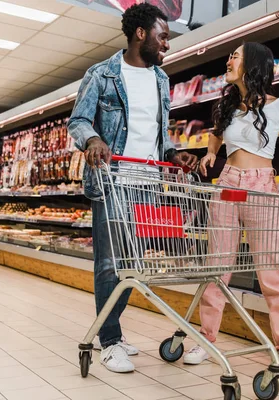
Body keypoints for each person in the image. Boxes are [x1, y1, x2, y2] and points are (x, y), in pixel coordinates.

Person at [68, 3, 197, 373]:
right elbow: (77, 121)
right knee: (109, 265)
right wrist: (92, 139)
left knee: (132, 265)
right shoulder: (103, 74)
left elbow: (160, 134)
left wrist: (174, 153)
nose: (166, 45)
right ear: (141, 34)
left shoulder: (161, 79)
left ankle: (113, 331)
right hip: (113, 181)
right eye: (163, 36)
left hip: (148, 184)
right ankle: (109, 341)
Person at [182, 42, 279, 379]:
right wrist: (212, 153)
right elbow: (216, 137)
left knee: (272, 272)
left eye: (235, 56)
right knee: (217, 268)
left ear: (252, 65)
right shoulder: (225, 106)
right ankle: (206, 339)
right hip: (227, 183)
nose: (228, 60)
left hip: (261, 186)